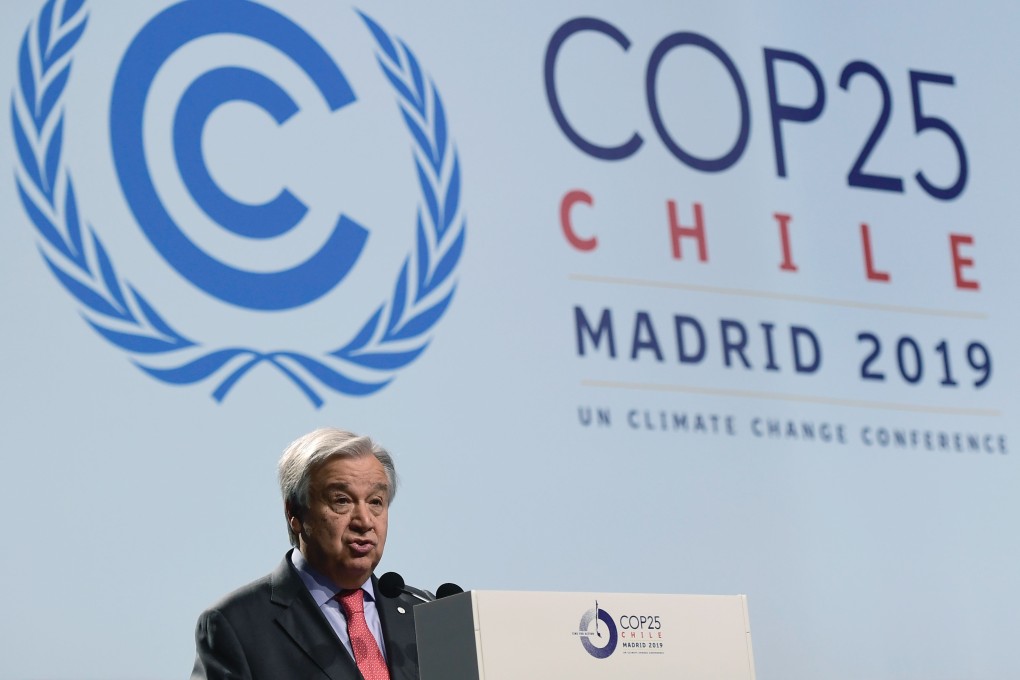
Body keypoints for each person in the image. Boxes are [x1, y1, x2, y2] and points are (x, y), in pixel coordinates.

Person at [191, 427, 425, 680]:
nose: (364, 521)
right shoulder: (236, 624)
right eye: (342, 500)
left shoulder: (425, 612)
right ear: (294, 514)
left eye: (376, 502)